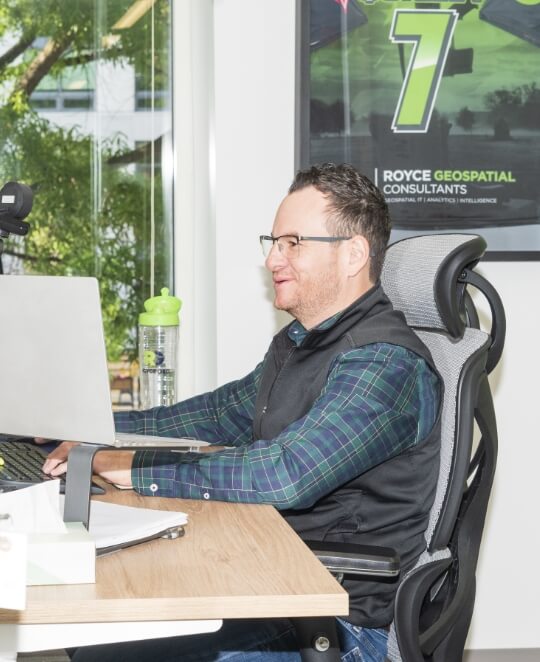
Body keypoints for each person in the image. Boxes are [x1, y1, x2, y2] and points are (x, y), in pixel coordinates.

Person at [43, 163, 441, 662]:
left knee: (107, 650)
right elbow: (215, 415)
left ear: (353, 254)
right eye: (274, 242)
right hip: (275, 581)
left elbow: (285, 473)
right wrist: (81, 426)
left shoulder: (384, 364)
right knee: (98, 638)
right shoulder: (304, 343)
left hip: (333, 619)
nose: (274, 257)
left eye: (293, 242)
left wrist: (132, 468)